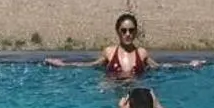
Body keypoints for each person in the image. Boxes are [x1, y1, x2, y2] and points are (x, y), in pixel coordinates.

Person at [48, 13, 204, 78]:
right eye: (124, 30)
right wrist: (63, 65)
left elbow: (161, 67)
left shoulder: (142, 53)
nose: (127, 34)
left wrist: (189, 65)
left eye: (131, 30)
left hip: (136, 92)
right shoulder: (109, 52)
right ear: (118, 31)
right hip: (113, 90)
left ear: (135, 32)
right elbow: (90, 65)